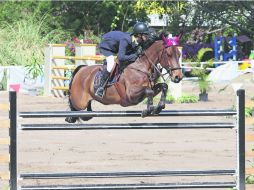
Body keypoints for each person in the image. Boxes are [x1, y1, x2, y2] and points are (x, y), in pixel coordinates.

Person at [95, 22, 150, 98]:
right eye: (145, 35)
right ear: (139, 35)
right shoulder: (126, 40)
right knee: (111, 64)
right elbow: (121, 57)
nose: (147, 36)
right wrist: (134, 56)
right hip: (107, 46)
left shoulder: (138, 40)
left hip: (116, 46)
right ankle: (100, 87)